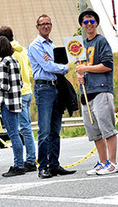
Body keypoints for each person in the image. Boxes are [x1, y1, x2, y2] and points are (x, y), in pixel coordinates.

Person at [28, 14, 75, 179]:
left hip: (56, 87)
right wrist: (63, 67)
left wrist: (56, 65)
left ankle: (54, 164)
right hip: (44, 88)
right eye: (42, 24)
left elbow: (54, 63)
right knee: (45, 130)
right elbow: (47, 66)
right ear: (37, 27)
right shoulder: (35, 46)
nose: (46, 26)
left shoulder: (52, 45)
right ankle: (43, 166)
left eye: (48, 24)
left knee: (55, 129)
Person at [75, 8, 118, 175]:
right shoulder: (81, 45)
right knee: (94, 131)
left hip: (101, 89)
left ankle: (113, 162)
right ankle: (102, 161)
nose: (89, 25)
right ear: (81, 25)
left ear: (96, 23)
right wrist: (81, 74)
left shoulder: (101, 41)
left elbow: (107, 65)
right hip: (87, 92)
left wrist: (87, 68)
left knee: (107, 127)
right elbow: (82, 68)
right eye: (85, 22)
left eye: (91, 21)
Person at [0, 26, 37, 172]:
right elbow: (30, 70)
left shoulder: (9, 55)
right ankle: (30, 158)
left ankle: (30, 160)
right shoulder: (23, 50)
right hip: (27, 90)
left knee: (21, 129)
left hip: (17, 94)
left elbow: (7, 81)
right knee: (26, 128)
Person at [0, 36, 26, 177]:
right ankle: (19, 163)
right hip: (17, 100)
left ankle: (19, 165)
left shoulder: (3, 63)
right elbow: (20, 83)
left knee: (13, 134)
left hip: (7, 103)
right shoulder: (14, 61)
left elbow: (4, 86)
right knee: (16, 133)